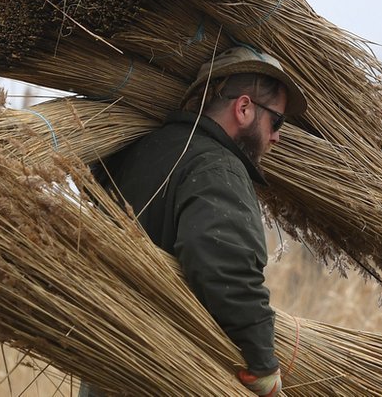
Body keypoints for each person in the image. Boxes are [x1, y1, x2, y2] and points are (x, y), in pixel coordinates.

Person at [83, 45, 307, 396]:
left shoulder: (137, 148)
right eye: (276, 121)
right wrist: (263, 363)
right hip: (164, 375)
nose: (277, 135)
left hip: (110, 365)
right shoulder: (216, 166)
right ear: (244, 108)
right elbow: (224, 267)